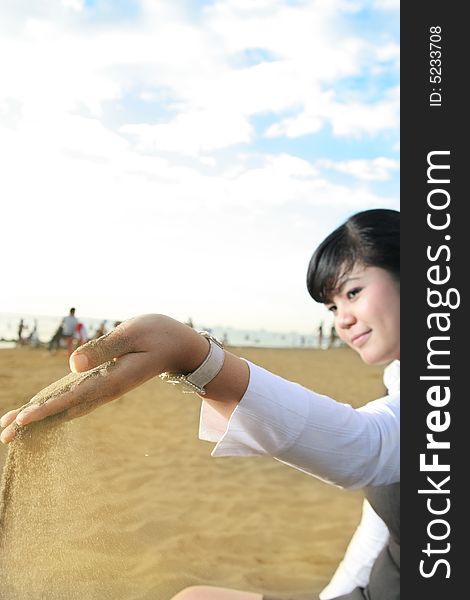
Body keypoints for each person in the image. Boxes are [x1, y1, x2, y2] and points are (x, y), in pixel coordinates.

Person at [0, 209, 400, 600]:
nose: (342, 319)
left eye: (353, 292)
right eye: (332, 307)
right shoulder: (396, 381)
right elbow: (379, 531)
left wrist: (196, 357)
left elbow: (365, 448)